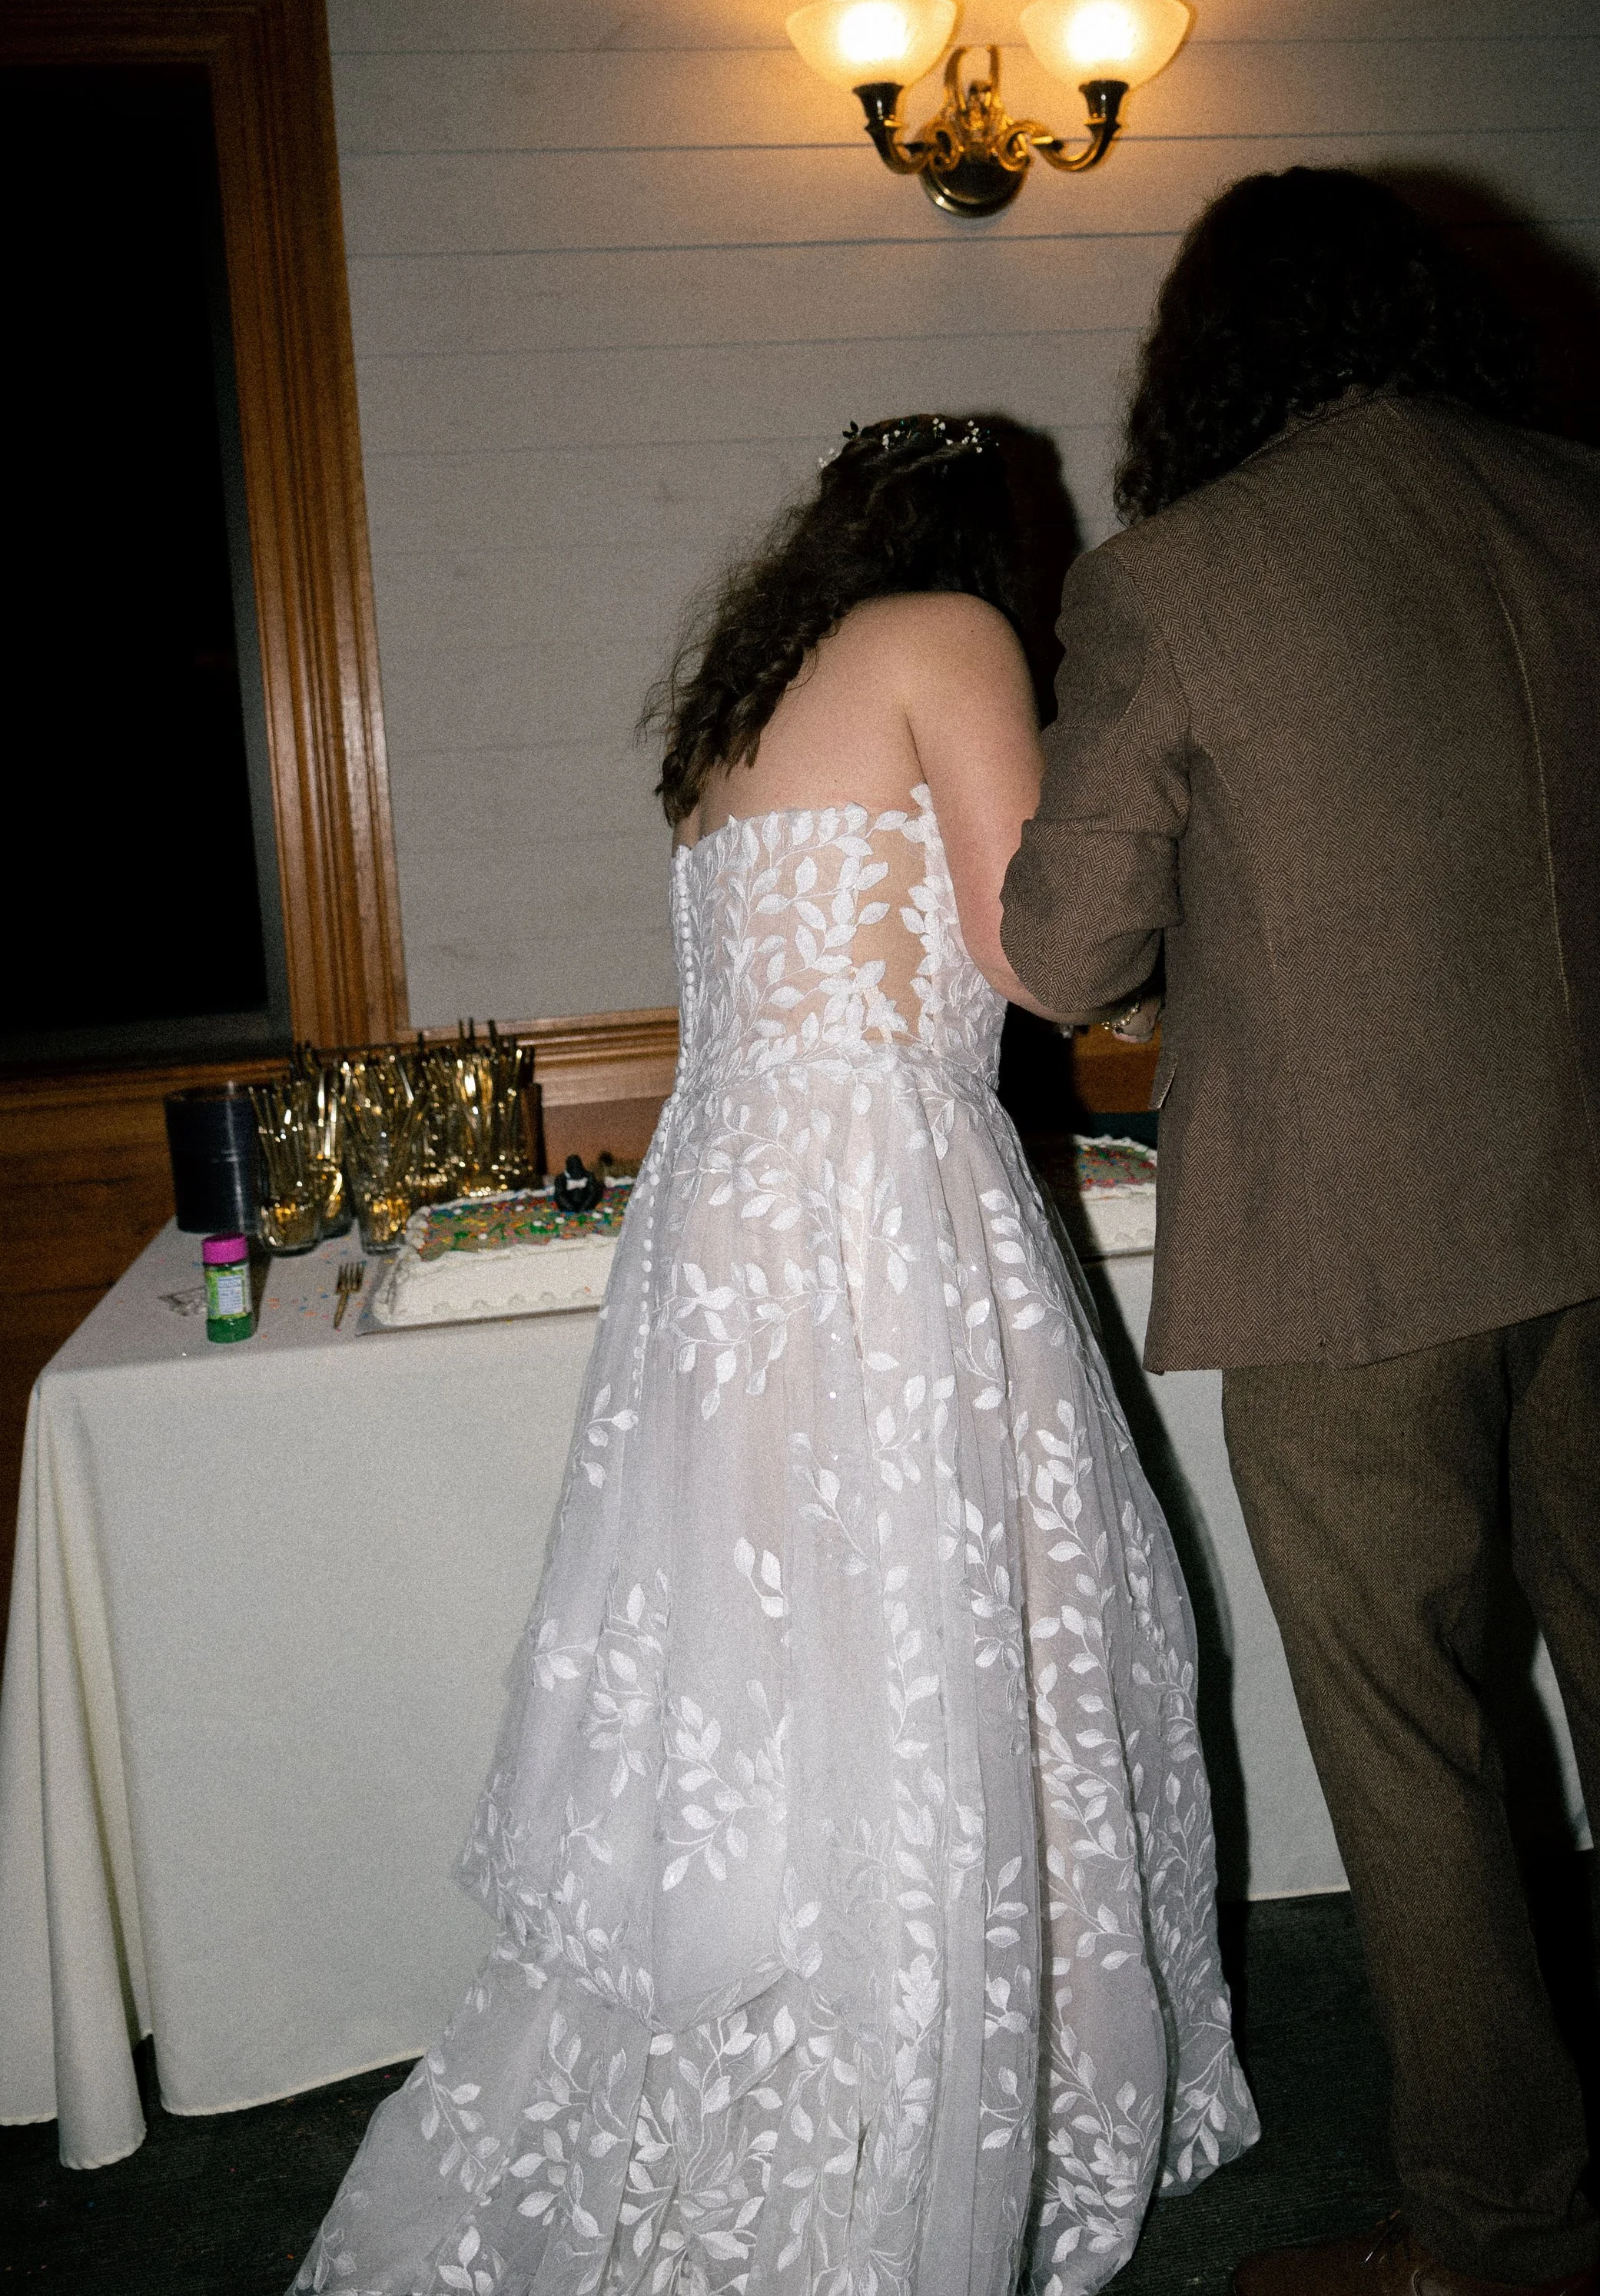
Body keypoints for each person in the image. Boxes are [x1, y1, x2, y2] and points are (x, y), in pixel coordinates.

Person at [294, 413, 1256, 2296]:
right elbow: (1037, 958)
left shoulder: (741, 705)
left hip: (725, 1212)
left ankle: (780, 2051)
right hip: (880, 1204)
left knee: (777, 1664)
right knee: (926, 1634)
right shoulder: (948, 639)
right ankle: (907, 2112)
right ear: (995, 542)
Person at [998, 171, 1600, 2296]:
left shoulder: (1175, 574)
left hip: (1356, 1249)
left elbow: (1062, 954)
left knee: (1410, 1723)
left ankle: (1495, 2231)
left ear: (1213, 352)